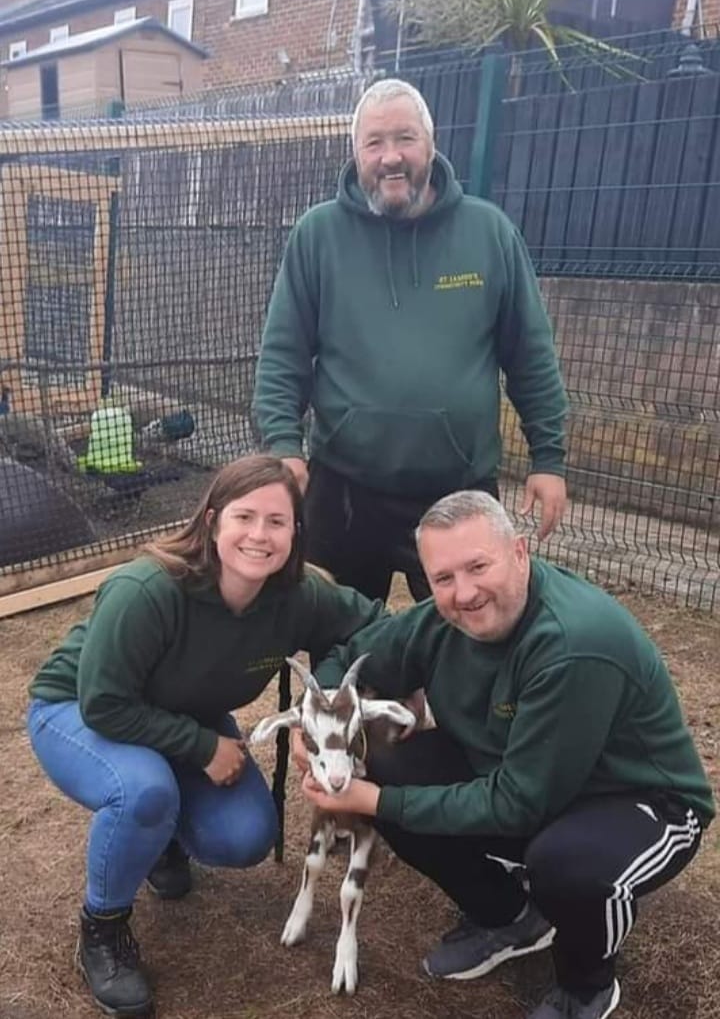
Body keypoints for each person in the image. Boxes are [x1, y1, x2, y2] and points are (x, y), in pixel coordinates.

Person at [294, 490, 715, 1019]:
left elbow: (520, 804)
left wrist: (375, 801)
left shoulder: (571, 642)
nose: (463, 593)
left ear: (520, 552)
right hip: (521, 773)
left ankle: (586, 987)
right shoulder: (438, 620)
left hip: (638, 800)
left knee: (566, 865)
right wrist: (319, 722)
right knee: (389, 760)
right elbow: (347, 659)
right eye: (443, 577)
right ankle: (512, 918)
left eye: (477, 566)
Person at [26, 455, 385, 1018]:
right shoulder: (147, 589)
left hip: (184, 714)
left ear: (296, 531)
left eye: (277, 521)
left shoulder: (297, 595)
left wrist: (326, 706)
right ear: (213, 519)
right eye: (245, 517)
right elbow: (104, 703)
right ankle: (103, 930)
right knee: (144, 791)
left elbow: (372, 625)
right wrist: (201, 747)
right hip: (77, 712)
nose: (259, 536)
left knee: (245, 835)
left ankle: (159, 839)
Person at [253, 78, 569, 603]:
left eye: (405, 139)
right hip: (345, 490)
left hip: (458, 488)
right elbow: (284, 354)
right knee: (342, 645)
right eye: (374, 143)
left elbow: (530, 355)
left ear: (432, 142)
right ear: (355, 153)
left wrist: (549, 458)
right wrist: (284, 446)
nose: (390, 157)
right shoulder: (318, 235)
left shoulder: (488, 233)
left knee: (466, 641)